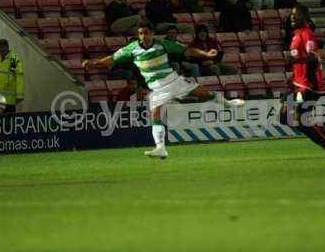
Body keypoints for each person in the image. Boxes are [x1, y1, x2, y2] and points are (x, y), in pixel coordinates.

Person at [82, 20, 244, 158]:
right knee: (156, 115)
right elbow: (112, 59)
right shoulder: (132, 49)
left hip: (174, 81)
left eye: (146, 33)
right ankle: (160, 148)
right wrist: (94, 63)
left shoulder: (162, 44)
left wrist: (206, 54)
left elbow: (186, 50)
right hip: (158, 89)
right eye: (140, 33)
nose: (143, 36)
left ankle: (228, 104)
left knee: (205, 94)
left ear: (152, 33)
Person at [286, 4, 325, 161]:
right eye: (291, 14)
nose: (292, 17)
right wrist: (293, 77)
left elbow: (312, 58)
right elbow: (300, 61)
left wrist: (296, 61)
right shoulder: (296, 34)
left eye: (295, 15)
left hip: (309, 86)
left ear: (305, 17)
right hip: (299, 84)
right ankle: (320, 128)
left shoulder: (307, 34)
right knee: (285, 117)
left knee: (301, 120)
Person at [0, 39, 24, 113]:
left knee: (8, 121)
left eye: (3, 48)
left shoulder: (13, 59)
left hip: (9, 100)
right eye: (0, 48)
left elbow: (19, 76)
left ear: (7, 47)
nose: (2, 51)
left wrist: (19, 95)